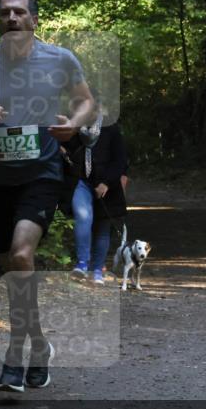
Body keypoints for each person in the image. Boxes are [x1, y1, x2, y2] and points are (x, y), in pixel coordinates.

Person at [0, 0, 95, 392]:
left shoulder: (59, 59)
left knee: (23, 254)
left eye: (19, 12)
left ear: (33, 20)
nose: (12, 18)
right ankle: (40, 344)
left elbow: (86, 102)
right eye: (5, 13)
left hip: (42, 175)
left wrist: (73, 125)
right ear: (0, 20)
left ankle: (14, 353)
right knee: (13, 266)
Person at [65, 110, 128, 285]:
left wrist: (106, 183)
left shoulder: (111, 128)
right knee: (83, 217)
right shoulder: (74, 127)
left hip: (107, 185)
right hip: (81, 182)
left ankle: (97, 270)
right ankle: (82, 264)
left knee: (102, 227)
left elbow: (120, 160)